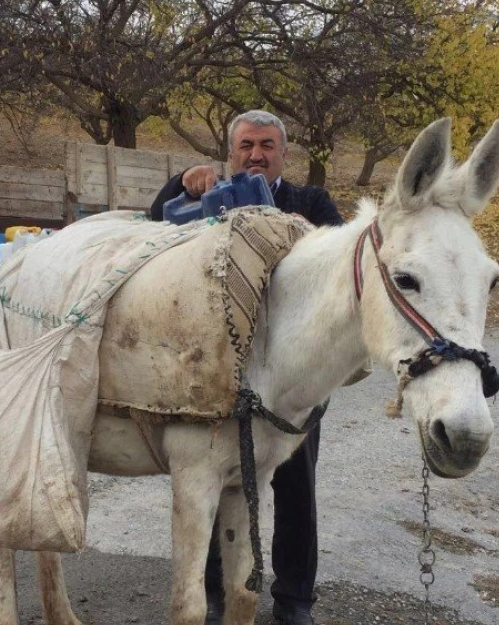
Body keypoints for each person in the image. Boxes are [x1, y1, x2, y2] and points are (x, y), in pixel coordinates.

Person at [150, 110, 342, 625]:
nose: (256, 154)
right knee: (220, 478)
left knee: (296, 487)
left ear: (285, 152)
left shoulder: (311, 203)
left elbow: (344, 270)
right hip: (223, 370)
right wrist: (180, 182)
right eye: (246, 145)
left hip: (295, 380)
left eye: (267, 145)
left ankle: (295, 600)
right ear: (230, 150)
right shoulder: (207, 198)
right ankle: (216, 593)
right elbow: (153, 229)